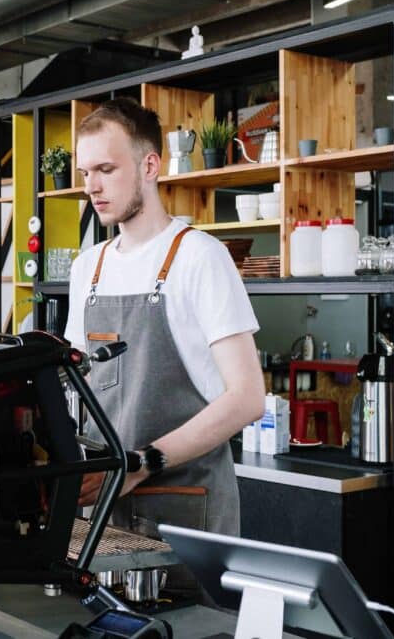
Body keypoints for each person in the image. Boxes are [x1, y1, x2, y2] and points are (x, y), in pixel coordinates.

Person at [65, 98, 264, 537]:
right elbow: (79, 389)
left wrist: (141, 463)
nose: (91, 187)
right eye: (85, 173)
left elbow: (248, 398)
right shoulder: (88, 269)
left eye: (106, 170)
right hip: (103, 508)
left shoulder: (199, 257)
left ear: (150, 165)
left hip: (185, 511)